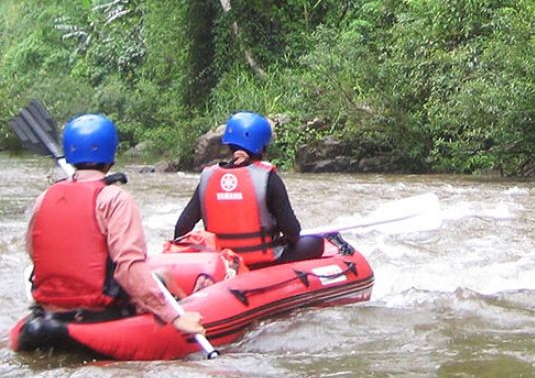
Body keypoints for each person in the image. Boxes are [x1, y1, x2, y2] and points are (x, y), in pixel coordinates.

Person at [26, 113, 205, 335]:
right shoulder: (115, 199)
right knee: (164, 276)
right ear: (111, 153)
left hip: (49, 310)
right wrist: (175, 317)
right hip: (100, 312)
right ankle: (188, 306)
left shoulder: (45, 198)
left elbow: (35, 252)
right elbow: (129, 269)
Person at [174, 111, 324, 268]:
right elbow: (293, 233)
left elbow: (181, 230)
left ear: (230, 144)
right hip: (262, 262)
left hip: (223, 263)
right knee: (316, 243)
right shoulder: (268, 178)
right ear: (261, 148)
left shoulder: (208, 178)